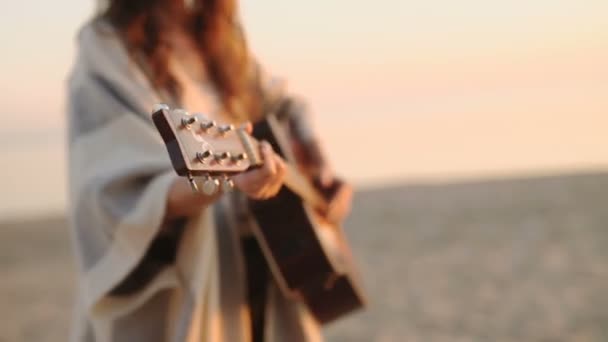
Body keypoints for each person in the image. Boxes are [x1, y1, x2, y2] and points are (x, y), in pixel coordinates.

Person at [66, 0, 353, 341]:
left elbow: (284, 107)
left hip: (267, 284)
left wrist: (318, 166)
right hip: (186, 296)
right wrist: (227, 179)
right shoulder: (107, 46)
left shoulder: (218, 39)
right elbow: (116, 192)